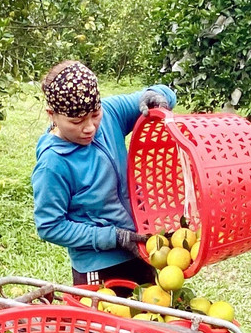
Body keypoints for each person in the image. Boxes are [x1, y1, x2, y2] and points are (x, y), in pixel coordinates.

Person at [30, 60, 176, 286]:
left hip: (142, 247)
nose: (89, 127)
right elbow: (50, 226)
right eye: (76, 121)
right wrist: (114, 237)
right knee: (106, 321)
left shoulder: (110, 114)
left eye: (94, 114)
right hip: (99, 266)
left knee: (150, 317)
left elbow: (159, 93)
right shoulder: (53, 163)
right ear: (52, 114)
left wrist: (158, 97)